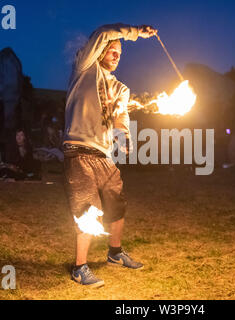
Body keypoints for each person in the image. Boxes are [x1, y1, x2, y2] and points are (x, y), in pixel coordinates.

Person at [63, 23, 157, 287]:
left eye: (120, 53)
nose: (117, 55)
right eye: (113, 50)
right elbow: (104, 32)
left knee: (117, 204)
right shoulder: (84, 68)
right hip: (78, 151)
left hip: (104, 156)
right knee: (87, 210)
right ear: (100, 51)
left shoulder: (121, 89)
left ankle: (115, 253)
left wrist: (123, 137)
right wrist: (137, 32)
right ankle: (80, 267)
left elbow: (120, 118)